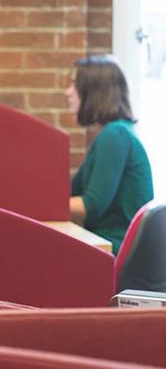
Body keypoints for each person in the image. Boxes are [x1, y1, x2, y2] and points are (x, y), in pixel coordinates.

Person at [66, 54, 153, 254]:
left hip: (115, 249)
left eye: (74, 84)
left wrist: (27, 207)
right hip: (111, 246)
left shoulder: (115, 135)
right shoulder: (116, 133)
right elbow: (71, 192)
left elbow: (91, 205)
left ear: (95, 91)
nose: (68, 92)